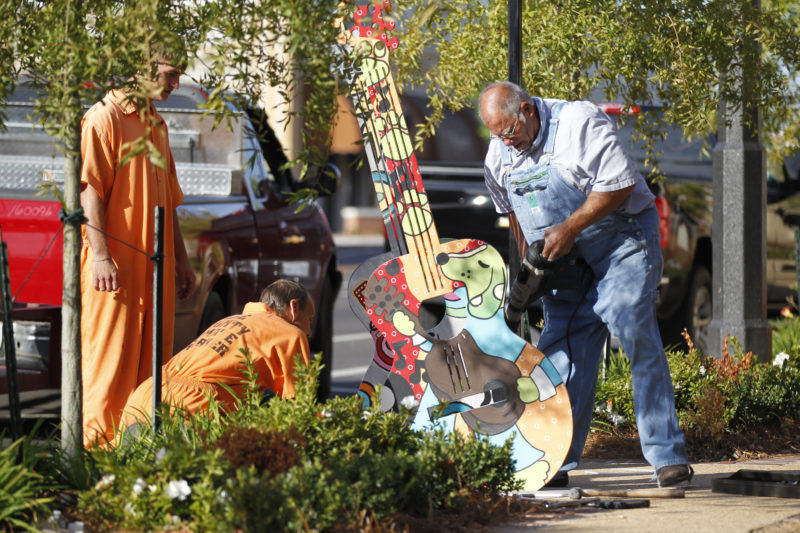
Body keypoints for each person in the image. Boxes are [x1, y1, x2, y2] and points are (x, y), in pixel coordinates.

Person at [478, 81, 692, 488]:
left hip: (621, 240)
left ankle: (666, 456)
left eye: (511, 132)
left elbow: (620, 184)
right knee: (560, 351)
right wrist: (531, 270)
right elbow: (518, 219)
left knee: (629, 323)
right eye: (499, 136)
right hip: (564, 258)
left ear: (527, 109)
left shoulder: (579, 122)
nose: (509, 143)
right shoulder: (500, 154)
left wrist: (571, 227)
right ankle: (555, 459)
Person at [80, 55, 196, 446]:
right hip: (115, 270)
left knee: (151, 369)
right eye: (171, 74)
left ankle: (137, 453)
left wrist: (180, 258)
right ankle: (95, 457)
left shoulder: (157, 124)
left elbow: (168, 200)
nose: (176, 83)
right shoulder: (104, 117)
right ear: (145, 66)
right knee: (109, 364)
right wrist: (100, 255)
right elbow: (90, 192)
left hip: (155, 270)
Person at [119, 279, 315, 431]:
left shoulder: (230, 320)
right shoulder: (290, 333)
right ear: (293, 308)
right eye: (309, 318)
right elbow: (300, 408)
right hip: (192, 405)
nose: (310, 331)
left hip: (148, 393)